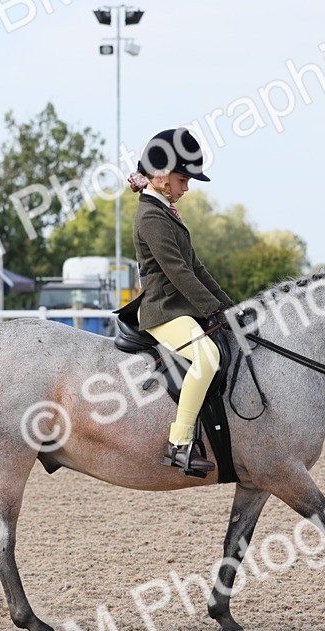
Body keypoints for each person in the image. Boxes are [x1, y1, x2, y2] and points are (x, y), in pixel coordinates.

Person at [116, 128, 234, 477]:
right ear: (163, 177)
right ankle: (180, 444)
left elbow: (197, 267)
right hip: (163, 311)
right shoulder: (151, 216)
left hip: (178, 308)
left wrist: (229, 307)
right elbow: (179, 273)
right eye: (184, 179)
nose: (187, 187)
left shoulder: (166, 211)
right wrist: (212, 310)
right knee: (207, 357)